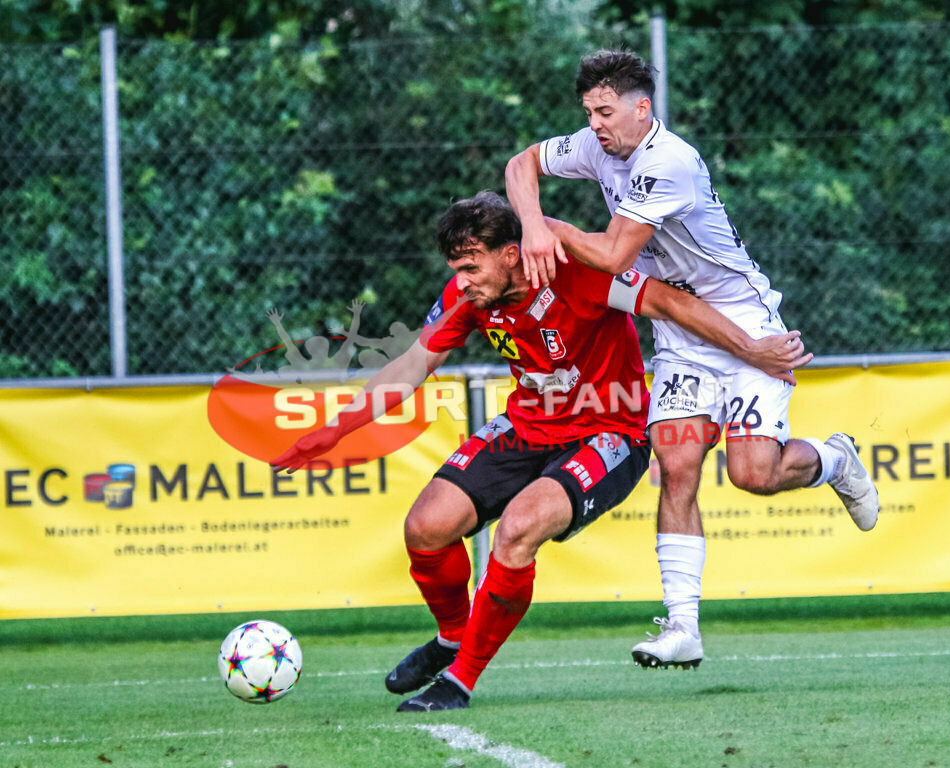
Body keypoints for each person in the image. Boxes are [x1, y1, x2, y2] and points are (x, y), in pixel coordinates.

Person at [271, 191, 810, 710]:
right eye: (457, 269)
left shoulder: (579, 272)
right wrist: (334, 430)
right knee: (425, 528)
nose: (462, 282)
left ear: (512, 254)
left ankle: (460, 680)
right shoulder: (468, 294)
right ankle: (454, 637)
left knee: (519, 528)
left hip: (611, 432)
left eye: (471, 267)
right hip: (528, 426)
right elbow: (412, 364)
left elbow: (669, 301)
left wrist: (750, 349)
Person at [504, 49, 879, 671]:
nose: (594, 124)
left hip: (743, 318)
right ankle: (682, 626)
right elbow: (521, 163)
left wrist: (549, 228)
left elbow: (611, 254)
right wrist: (530, 222)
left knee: (753, 474)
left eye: (604, 111)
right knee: (677, 464)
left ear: (640, 107)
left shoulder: (667, 161)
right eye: (588, 112)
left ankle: (835, 457)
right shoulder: (596, 145)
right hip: (679, 333)